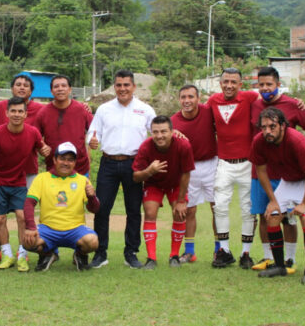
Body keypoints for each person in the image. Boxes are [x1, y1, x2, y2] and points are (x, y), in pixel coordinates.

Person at [87, 69, 156, 269]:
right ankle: (100, 253)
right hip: (108, 163)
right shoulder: (104, 109)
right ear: (114, 87)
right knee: (101, 208)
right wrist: (91, 141)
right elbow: (93, 131)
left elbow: (158, 131)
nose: (122, 89)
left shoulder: (145, 109)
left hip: (134, 164)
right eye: (119, 85)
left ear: (134, 87)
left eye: (126, 85)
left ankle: (131, 253)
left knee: (133, 209)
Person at [249, 67, 305, 272]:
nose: (265, 88)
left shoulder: (293, 110)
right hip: (275, 172)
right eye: (261, 84)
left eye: (269, 84)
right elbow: (260, 168)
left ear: (278, 84)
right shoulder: (254, 108)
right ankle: (274, 261)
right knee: (269, 214)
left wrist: (304, 203)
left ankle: (299, 263)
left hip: (301, 172)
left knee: (298, 217)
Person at [249, 107, 305, 284]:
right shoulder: (259, 141)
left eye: (272, 126)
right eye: (264, 127)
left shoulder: (296, 139)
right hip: (289, 180)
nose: (267, 131)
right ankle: (279, 266)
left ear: (283, 125)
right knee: (273, 216)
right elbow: (260, 171)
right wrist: (274, 201)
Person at [0, 97, 50, 272]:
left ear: (25, 113)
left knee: (22, 217)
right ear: (6, 113)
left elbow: (43, 148)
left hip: (20, 182)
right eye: (13, 111)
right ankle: (6, 254)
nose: (16, 114)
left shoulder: (33, 133)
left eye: (20, 111)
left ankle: (22, 255)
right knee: (0, 218)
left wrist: (46, 150)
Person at [206, 68, 257, 268]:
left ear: (240, 84)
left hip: (247, 162)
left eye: (233, 82)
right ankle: (224, 251)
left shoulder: (250, 97)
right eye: (225, 81)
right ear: (220, 83)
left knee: (248, 209)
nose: (229, 85)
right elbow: (198, 118)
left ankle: (246, 253)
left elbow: (275, 101)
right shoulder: (213, 101)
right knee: (219, 206)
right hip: (224, 163)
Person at [22, 142, 100, 272]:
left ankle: (80, 255)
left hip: (75, 229)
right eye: (62, 158)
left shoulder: (82, 180)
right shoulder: (42, 178)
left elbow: (95, 209)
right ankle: (48, 254)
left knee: (93, 242)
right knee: (27, 241)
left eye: (70, 160)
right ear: (54, 159)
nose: (66, 163)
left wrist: (92, 197)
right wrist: (30, 227)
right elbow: (29, 203)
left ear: (75, 162)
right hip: (48, 229)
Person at [132, 116, 195, 269]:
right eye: (155, 132)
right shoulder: (146, 147)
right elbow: (135, 177)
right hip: (154, 184)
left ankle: (174, 256)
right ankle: (151, 258)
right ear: (151, 133)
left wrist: (181, 201)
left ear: (172, 131)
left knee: (180, 213)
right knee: (150, 212)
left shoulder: (183, 145)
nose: (159, 136)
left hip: (175, 183)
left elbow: (186, 173)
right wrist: (149, 171)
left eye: (163, 131)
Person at [170, 85, 218, 263]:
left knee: (217, 209)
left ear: (198, 98)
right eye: (183, 97)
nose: (187, 100)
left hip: (212, 164)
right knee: (189, 210)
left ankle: (219, 249)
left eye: (191, 96)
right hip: (188, 169)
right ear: (179, 100)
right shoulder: (173, 121)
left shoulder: (208, 112)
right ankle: (189, 251)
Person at [35, 75, 93, 176]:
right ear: (51, 91)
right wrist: (41, 147)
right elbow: (35, 137)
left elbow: (95, 130)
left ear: (70, 89)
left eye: (63, 86)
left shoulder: (82, 109)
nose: (60, 89)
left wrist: (93, 140)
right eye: (56, 86)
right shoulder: (43, 113)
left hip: (80, 168)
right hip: (53, 169)